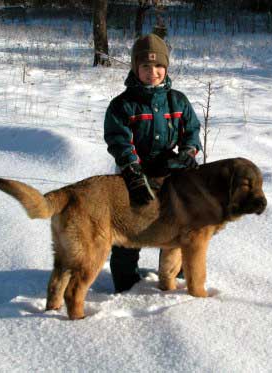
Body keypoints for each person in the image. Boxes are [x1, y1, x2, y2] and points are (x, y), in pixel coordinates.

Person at [103, 33, 202, 293]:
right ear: (136, 68)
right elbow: (119, 140)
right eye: (146, 67)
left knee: (174, 225)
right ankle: (125, 282)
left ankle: (174, 275)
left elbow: (191, 129)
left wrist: (188, 152)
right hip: (132, 174)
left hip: (169, 173)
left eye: (159, 66)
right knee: (130, 228)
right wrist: (132, 170)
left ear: (166, 67)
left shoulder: (177, 100)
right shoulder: (123, 105)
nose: (153, 72)